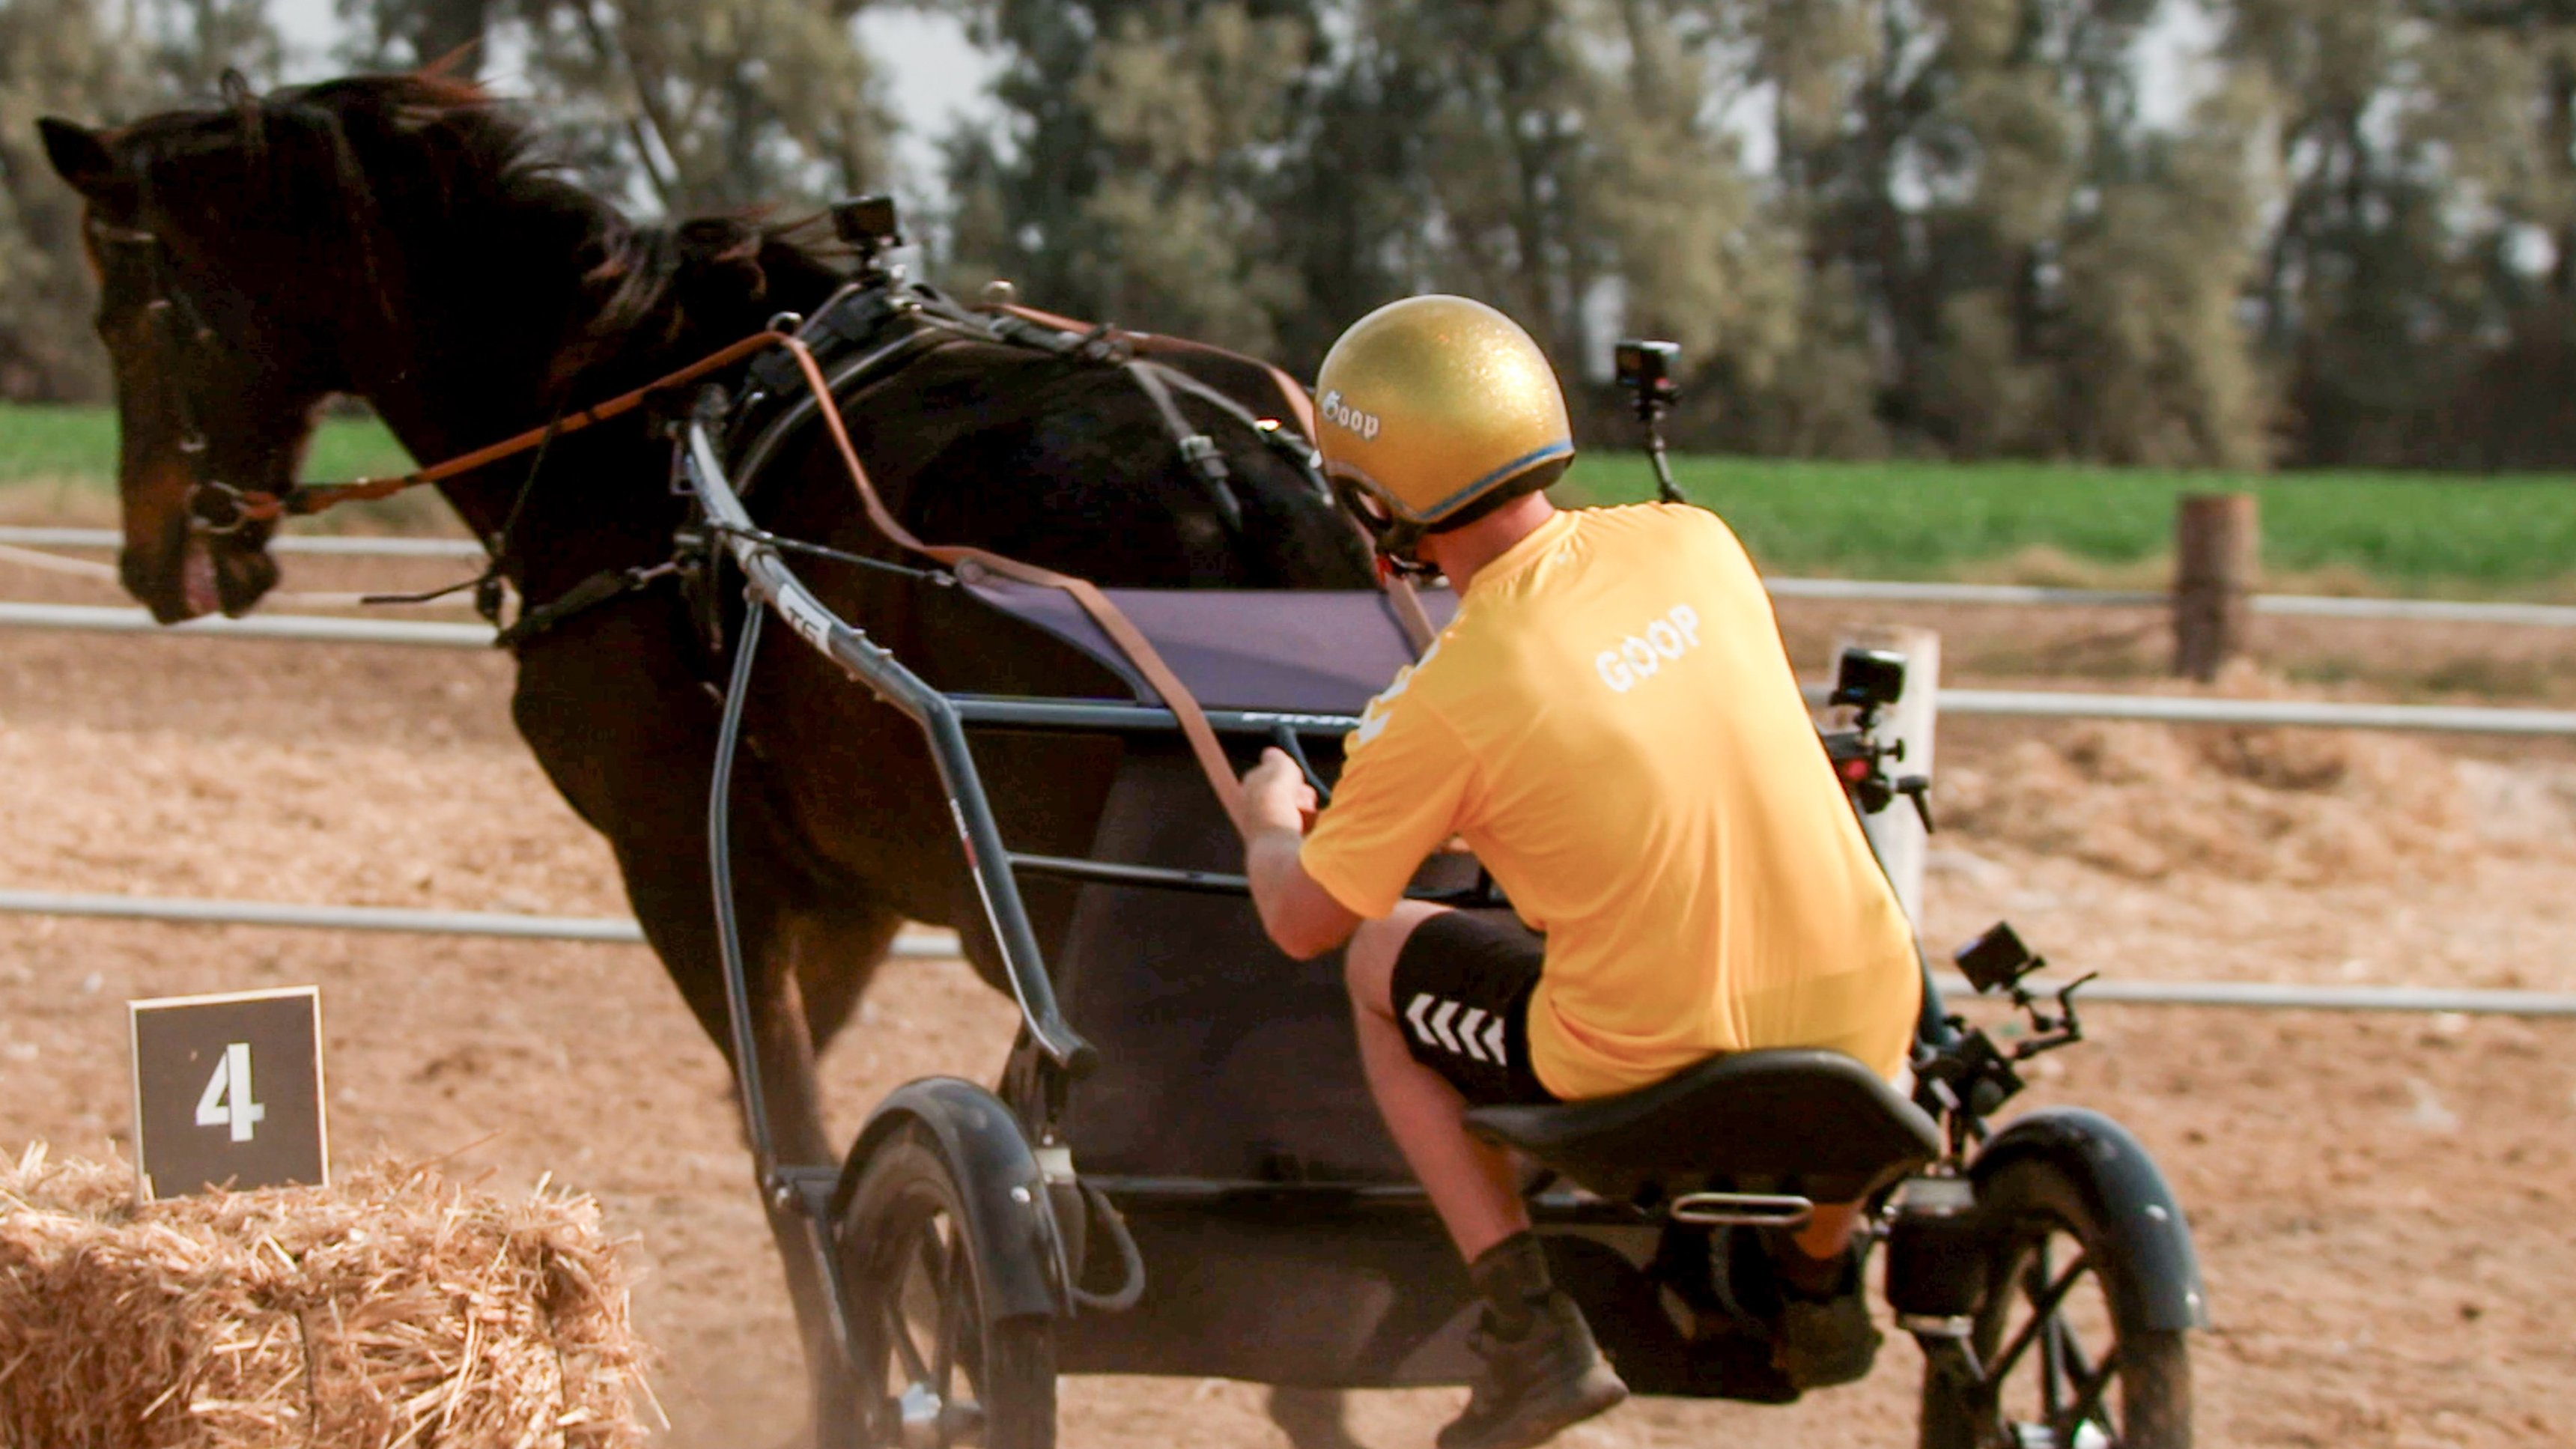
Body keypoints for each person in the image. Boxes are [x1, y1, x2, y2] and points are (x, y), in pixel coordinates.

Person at [1238, 294, 1924, 1449]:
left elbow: (1302, 919)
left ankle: (1530, 1334)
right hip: (1870, 1038)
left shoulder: (1443, 703)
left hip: (1634, 1069)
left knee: (1372, 959)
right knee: (1829, 960)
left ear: (1373, 504)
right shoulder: (1696, 541)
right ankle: (1815, 1280)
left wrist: (1268, 825)